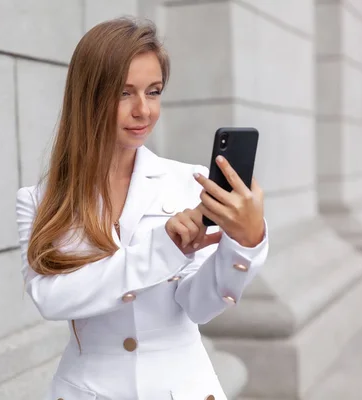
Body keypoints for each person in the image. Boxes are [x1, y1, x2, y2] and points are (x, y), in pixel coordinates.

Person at [15, 17, 268, 400]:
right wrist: (164, 248)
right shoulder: (40, 201)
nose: (143, 110)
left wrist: (246, 243)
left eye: (153, 92)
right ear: (89, 97)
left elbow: (199, 306)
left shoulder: (190, 182)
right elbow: (52, 299)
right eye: (124, 93)